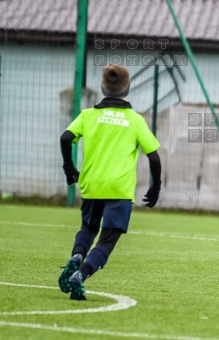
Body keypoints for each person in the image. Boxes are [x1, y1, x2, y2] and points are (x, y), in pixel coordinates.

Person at [58, 64, 162, 300]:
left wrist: (69, 169)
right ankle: (81, 275)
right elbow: (154, 157)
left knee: (88, 228)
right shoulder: (135, 120)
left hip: (92, 185)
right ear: (127, 88)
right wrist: (155, 188)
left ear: (102, 87)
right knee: (107, 240)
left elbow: (66, 138)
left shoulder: (88, 115)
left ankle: (76, 256)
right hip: (119, 189)